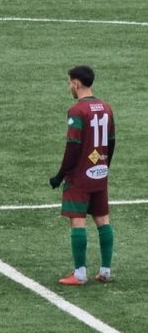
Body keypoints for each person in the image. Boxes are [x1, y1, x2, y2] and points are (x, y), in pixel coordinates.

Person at [50, 65, 116, 286]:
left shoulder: (77, 111)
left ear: (77, 83)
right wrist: (105, 166)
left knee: (78, 221)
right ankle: (105, 271)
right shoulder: (106, 108)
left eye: (69, 82)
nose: (69, 86)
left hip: (80, 175)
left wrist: (60, 175)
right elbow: (111, 142)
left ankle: (79, 274)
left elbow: (73, 146)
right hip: (99, 173)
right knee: (103, 220)